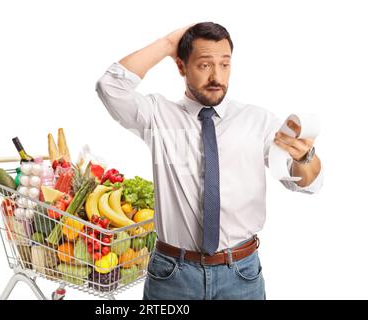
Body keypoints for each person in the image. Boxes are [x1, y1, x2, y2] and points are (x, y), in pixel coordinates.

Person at [96, 22, 323, 300]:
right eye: (204, 65)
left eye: (225, 65)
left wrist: (305, 157)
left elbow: (306, 183)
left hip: (241, 273)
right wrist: (169, 43)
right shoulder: (158, 116)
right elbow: (110, 86)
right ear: (181, 67)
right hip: (172, 275)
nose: (217, 76)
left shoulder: (257, 121)